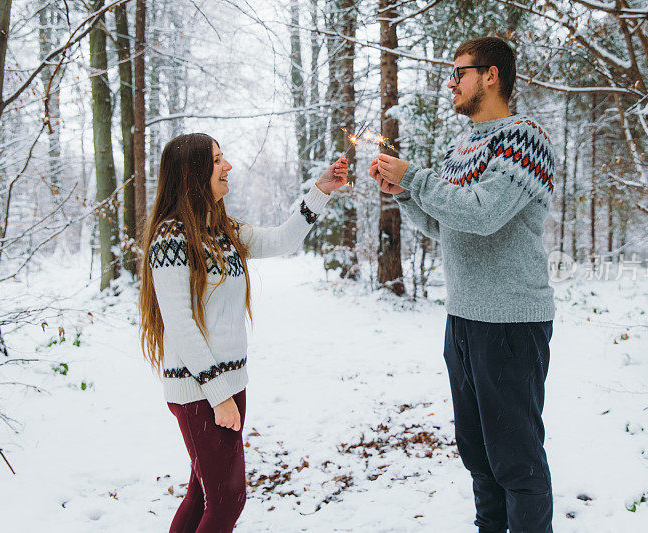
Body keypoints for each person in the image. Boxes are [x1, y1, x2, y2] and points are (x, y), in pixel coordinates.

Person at [370, 37, 556, 532]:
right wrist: (406, 194)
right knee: (478, 458)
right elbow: (446, 226)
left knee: (517, 463)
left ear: (490, 75)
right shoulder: (462, 145)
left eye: (459, 73)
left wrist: (418, 178)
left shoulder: (524, 137)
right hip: (464, 320)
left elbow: (484, 214)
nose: (450, 83)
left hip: (512, 322)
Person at [138, 132, 348, 532]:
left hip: (226, 386)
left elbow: (282, 239)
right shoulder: (172, 237)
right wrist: (219, 396)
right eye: (218, 160)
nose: (227, 166)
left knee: (204, 494)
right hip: (201, 390)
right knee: (228, 498)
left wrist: (320, 190)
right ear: (193, 173)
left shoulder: (222, 230)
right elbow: (180, 322)